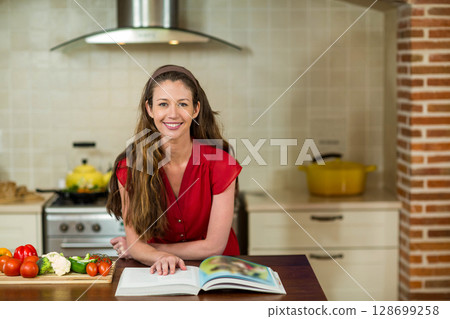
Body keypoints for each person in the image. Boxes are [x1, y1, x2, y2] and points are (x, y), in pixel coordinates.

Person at [106, 65, 242, 276]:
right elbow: (136, 243)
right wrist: (148, 253)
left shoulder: (221, 163)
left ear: (195, 110)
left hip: (218, 273)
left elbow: (214, 246)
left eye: (182, 104)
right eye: (163, 104)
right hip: (159, 271)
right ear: (149, 109)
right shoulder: (131, 167)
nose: (173, 114)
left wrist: (146, 251)